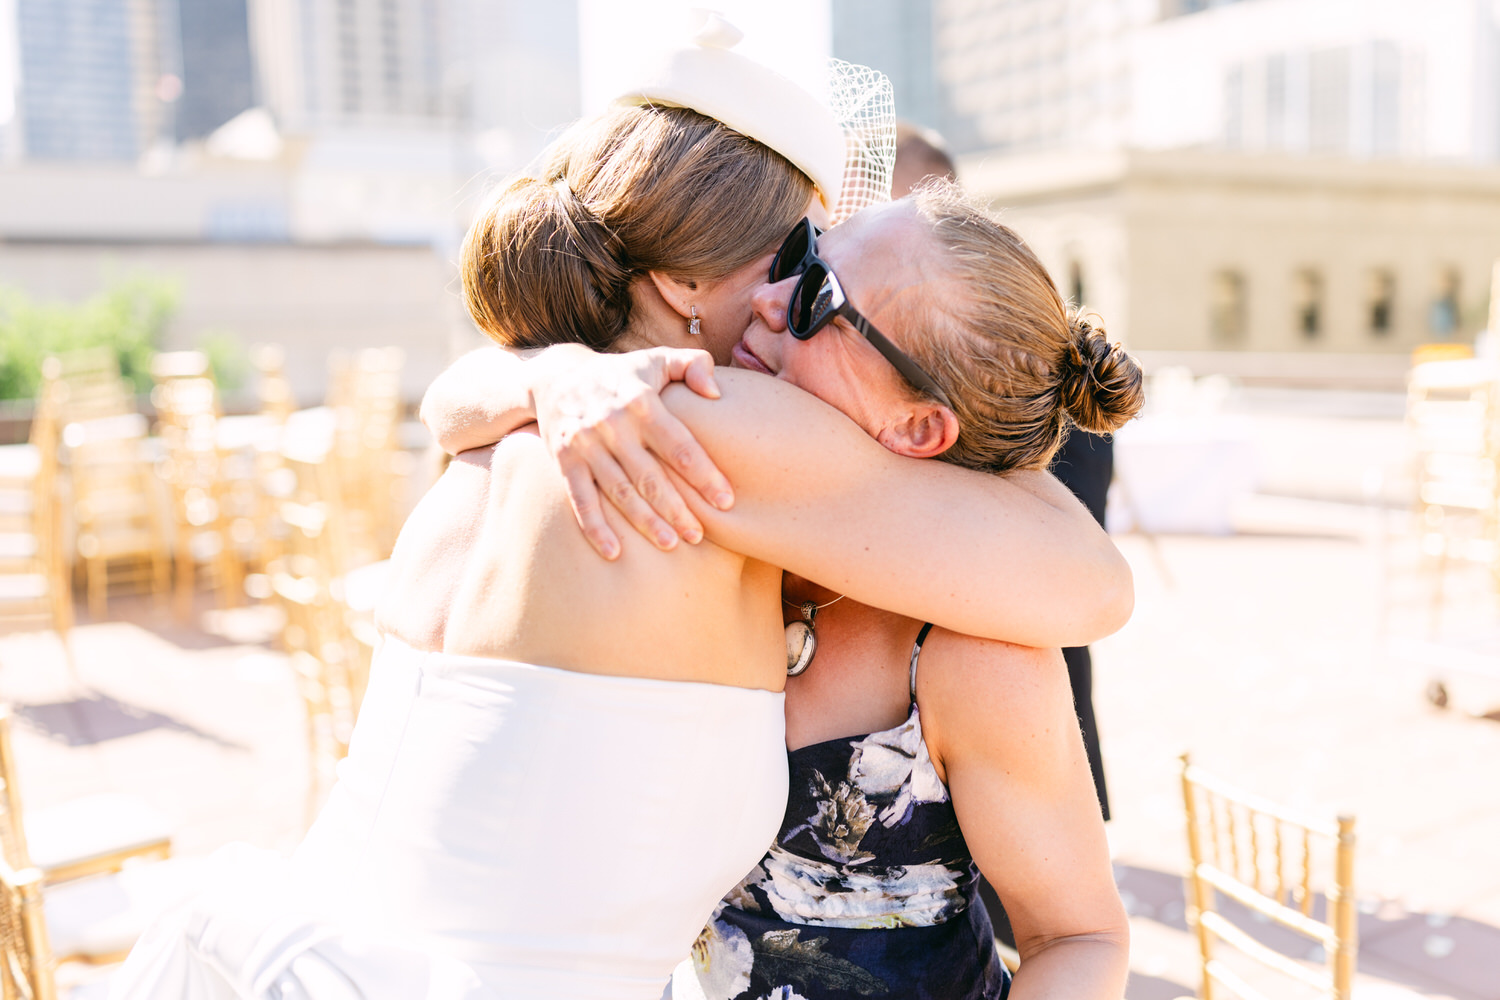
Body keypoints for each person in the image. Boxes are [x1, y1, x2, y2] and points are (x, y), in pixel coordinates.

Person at [111, 24, 1130, 1000]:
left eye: (813, 281)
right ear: (686, 279)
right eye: (797, 259)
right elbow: (1090, 581)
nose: (781, 302)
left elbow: (455, 395)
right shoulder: (687, 425)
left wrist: (544, 369)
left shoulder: (508, 436)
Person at [424, 183, 1141, 999]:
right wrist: (555, 375)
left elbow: (1079, 935)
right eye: (801, 256)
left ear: (916, 428)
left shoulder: (966, 652)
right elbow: (455, 405)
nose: (763, 299)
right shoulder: (706, 518)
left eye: (815, 297)